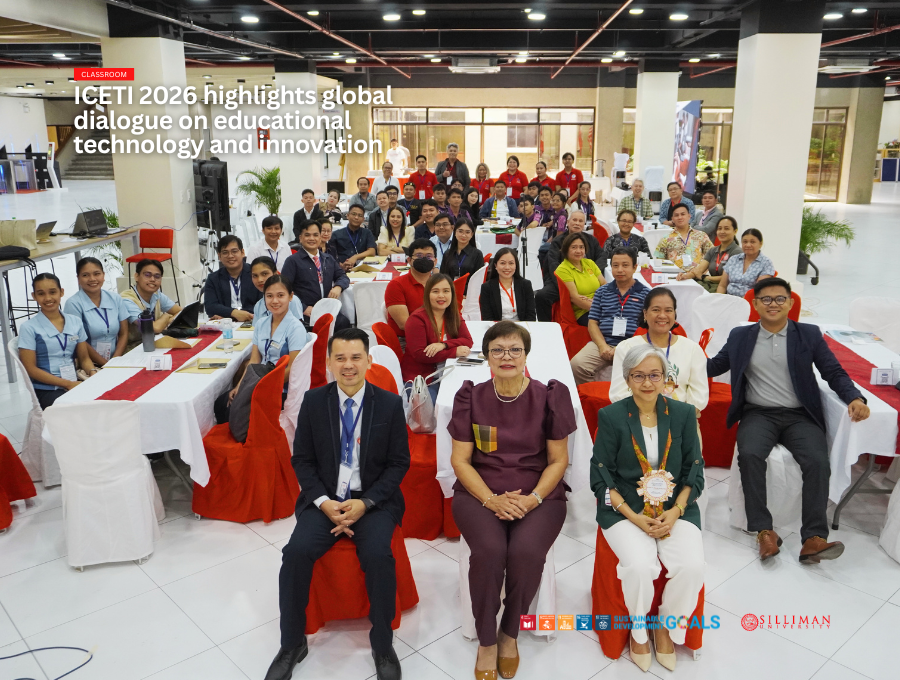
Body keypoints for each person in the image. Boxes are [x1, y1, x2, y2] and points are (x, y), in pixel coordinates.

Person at [265, 328, 409, 680]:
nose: (348, 365)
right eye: (340, 358)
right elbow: (302, 460)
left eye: (356, 357)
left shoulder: (389, 403)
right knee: (295, 554)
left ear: (369, 361)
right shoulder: (314, 402)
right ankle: (291, 643)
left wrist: (366, 503)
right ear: (329, 363)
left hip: (372, 500)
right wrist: (323, 501)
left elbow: (398, 463)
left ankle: (382, 644)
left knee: (378, 556)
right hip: (326, 500)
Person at [707, 278, 870, 563]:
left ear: (791, 303)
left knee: (818, 461)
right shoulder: (741, 336)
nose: (773, 304)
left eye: (780, 298)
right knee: (750, 455)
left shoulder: (808, 334)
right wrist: (673, 358)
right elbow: (714, 366)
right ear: (755, 304)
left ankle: (814, 538)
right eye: (766, 299)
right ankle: (764, 531)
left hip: (799, 416)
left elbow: (833, 371)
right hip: (758, 413)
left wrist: (855, 397)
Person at [450, 321, 575, 680]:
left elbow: (559, 461)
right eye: (498, 350)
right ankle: (486, 639)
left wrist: (533, 499)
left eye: (515, 350)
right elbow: (460, 461)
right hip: (480, 493)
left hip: (539, 494)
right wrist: (491, 500)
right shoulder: (471, 397)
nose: (507, 357)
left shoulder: (549, 396)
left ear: (526, 355)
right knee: (489, 552)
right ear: (487, 357)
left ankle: (510, 631)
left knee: (526, 553)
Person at [591, 344, 705, 673]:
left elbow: (695, 471)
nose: (647, 383)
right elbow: (600, 477)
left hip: (674, 506)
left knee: (693, 566)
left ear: (666, 378)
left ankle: (666, 626)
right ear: (627, 379)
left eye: (655, 375)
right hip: (626, 508)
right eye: (638, 375)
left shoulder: (683, 414)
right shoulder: (611, 416)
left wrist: (677, 511)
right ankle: (639, 631)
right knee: (640, 566)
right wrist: (634, 517)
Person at [216, 275, 309, 423]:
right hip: (259, 380)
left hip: (281, 388)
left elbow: (293, 368)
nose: (275, 301)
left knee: (236, 412)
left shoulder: (295, 328)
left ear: (291, 297)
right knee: (222, 403)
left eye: (280, 295)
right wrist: (240, 386)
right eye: (269, 296)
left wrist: (264, 386)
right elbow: (254, 360)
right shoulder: (261, 324)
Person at [610, 288, 709, 412]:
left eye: (668, 310)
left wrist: (679, 417)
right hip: (636, 416)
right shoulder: (626, 348)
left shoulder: (692, 349)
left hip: (680, 417)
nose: (662, 315)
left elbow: (699, 395)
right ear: (645, 313)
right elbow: (618, 393)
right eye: (656, 310)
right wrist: (649, 415)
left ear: (674, 314)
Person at [570, 247, 647, 384]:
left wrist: (623, 347)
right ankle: (592, 394)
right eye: (615, 266)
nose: (620, 270)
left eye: (625, 265)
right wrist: (602, 346)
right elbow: (592, 322)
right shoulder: (602, 292)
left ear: (635, 267)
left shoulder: (646, 294)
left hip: (632, 345)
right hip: (604, 342)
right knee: (577, 365)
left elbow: (647, 328)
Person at [18, 273, 96, 409]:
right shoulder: (29, 328)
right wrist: (67, 384)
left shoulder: (75, 322)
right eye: (41, 294)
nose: (48, 298)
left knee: (106, 402)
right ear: (34, 296)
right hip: (46, 389)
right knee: (79, 409)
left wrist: (93, 374)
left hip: (74, 382)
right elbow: (30, 369)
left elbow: (84, 358)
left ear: (61, 292)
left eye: (53, 292)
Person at [401, 273, 473, 404]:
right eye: (435, 291)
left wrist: (444, 345)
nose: (441, 295)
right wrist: (454, 351)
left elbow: (468, 340)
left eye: (446, 291)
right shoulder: (416, 319)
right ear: (427, 294)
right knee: (436, 408)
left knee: (468, 400)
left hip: (448, 371)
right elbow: (420, 355)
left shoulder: (453, 314)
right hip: (423, 377)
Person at [281, 221, 352, 331]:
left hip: (327, 309)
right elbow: (284, 289)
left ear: (320, 237)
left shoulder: (327, 259)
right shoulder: (292, 261)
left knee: (345, 323)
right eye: (307, 235)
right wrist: (303, 307)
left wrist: (338, 286)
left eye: (315, 235)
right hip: (306, 312)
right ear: (300, 238)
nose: (312, 238)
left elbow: (343, 276)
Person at [536, 211, 603, 321]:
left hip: (585, 276)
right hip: (561, 279)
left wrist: (593, 274)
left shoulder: (591, 240)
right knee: (542, 296)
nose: (577, 223)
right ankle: (547, 325)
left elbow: (602, 257)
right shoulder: (558, 241)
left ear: (584, 224)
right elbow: (553, 264)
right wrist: (566, 286)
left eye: (580, 221)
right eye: (574, 220)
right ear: (568, 222)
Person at [64, 257, 129, 366]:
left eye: (97, 274)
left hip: (115, 360)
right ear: (78, 279)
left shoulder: (115, 298)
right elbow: (79, 340)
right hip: (88, 364)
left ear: (103, 275)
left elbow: (124, 333)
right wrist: (106, 365)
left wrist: (115, 361)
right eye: (85, 275)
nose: (92, 279)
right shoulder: (73, 304)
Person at [384, 238, 436, 345]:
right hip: (406, 339)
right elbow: (405, 324)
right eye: (419, 256)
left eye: (429, 256)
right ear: (409, 260)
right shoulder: (396, 285)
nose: (424, 259)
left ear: (435, 261)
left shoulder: (439, 284)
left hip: (436, 335)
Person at [121, 259, 183, 345]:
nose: (152, 279)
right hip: (134, 346)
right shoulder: (127, 299)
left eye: (157, 276)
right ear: (136, 276)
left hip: (155, 341)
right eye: (147, 275)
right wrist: (166, 316)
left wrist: (165, 322)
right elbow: (153, 328)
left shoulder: (156, 294)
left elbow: (181, 312)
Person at [203, 235, 261, 322]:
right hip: (225, 323)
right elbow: (210, 307)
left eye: (234, 251)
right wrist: (233, 313)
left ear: (242, 253)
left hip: (253, 320)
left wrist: (243, 314)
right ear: (219, 256)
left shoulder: (255, 273)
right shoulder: (213, 278)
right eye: (225, 252)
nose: (230, 256)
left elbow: (263, 303)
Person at [677, 215, 741, 293]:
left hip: (726, 289)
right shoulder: (713, 250)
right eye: (719, 228)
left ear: (735, 231)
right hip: (710, 285)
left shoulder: (737, 252)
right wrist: (685, 276)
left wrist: (706, 278)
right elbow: (699, 270)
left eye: (726, 228)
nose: (722, 232)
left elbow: (729, 278)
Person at [554, 232, 605, 327]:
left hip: (600, 304)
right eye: (574, 247)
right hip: (583, 312)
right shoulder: (563, 269)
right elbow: (575, 298)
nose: (578, 251)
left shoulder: (589, 263)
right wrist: (600, 307)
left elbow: (604, 285)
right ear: (566, 249)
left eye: (581, 247)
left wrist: (598, 301)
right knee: (610, 323)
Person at [479, 248, 536, 322]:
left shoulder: (525, 285)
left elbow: (531, 316)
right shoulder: (487, 287)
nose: (507, 267)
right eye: (502, 263)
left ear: (516, 265)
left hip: (521, 327)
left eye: (511, 263)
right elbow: (487, 318)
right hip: (497, 327)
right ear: (495, 265)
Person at [654, 204, 712, 272]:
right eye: (676, 215)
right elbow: (659, 260)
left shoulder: (701, 235)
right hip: (674, 275)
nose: (680, 217)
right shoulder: (666, 238)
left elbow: (712, 255)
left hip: (698, 275)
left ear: (689, 216)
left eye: (683, 214)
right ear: (672, 219)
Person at [718, 228, 775, 297]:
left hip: (750, 300)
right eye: (745, 242)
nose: (748, 245)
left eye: (752, 242)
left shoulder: (766, 263)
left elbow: (759, 290)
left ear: (760, 244)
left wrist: (741, 301)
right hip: (728, 299)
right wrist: (718, 299)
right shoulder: (733, 259)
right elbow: (722, 286)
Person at [439, 217, 485, 294]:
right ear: (455, 232)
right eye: (460, 231)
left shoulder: (477, 254)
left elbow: (479, 280)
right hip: (450, 293)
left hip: (470, 293)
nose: (463, 235)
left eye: (467, 232)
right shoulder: (447, 254)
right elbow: (442, 277)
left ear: (472, 234)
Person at [332, 204, 377, 271]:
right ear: (347, 215)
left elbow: (372, 251)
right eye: (354, 214)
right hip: (341, 270)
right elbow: (330, 255)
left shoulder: (367, 233)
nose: (356, 217)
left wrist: (355, 257)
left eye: (360, 215)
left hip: (363, 270)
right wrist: (341, 266)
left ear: (363, 219)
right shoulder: (336, 234)